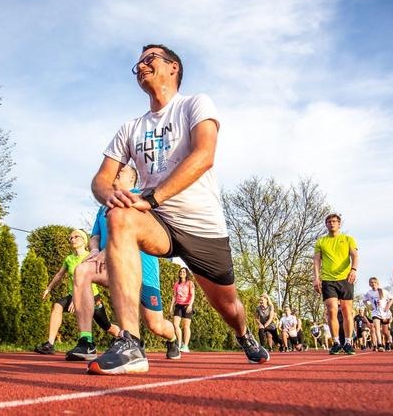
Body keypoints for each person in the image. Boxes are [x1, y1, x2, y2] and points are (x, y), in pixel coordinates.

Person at [90, 44, 269, 374]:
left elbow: (204, 155)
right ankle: (130, 343)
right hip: (158, 222)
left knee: (228, 307)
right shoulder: (130, 128)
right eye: (138, 64)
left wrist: (153, 197)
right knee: (119, 217)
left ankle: (244, 336)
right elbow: (100, 180)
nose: (141, 66)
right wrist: (110, 196)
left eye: (149, 60)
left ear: (173, 68)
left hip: (202, 227)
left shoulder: (195, 104)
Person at [67, 165, 179, 363]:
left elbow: (130, 233)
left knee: (156, 325)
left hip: (143, 273)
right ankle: (86, 341)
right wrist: (95, 250)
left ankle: (172, 338)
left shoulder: (140, 198)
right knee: (82, 270)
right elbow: (95, 235)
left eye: (123, 171)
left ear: (132, 179)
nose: (116, 172)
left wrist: (106, 250)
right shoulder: (104, 206)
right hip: (111, 267)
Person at [35, 230, 120, 355]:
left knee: (106, 325)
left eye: (76, 237)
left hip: (91, 296)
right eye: (70, 238)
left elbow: (89, 280)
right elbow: (59, 275)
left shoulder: (90, 256)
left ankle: (123, 337)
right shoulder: (69, 259)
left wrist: (78, 300)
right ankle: (50, 343)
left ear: (84, 240)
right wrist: (49, 288)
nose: (72, 239)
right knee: (57, 306)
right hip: (73, 294)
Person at [313, 213, 359, 355]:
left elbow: (355, 255)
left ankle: (348, 342)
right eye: (329, 222)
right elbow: (316, 261)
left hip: (345, 279)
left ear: (339, 224)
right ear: (326, 225)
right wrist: (316, 278)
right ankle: (336, 342)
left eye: (334, 221)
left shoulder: (348, 239)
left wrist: (354, 269)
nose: (331, 223)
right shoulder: (321, 242)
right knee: (332, 310)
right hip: (328, 279)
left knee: (347, 310)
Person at [168, 267, 195, 353]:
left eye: (183, 272)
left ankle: (186, 346)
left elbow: (193, 295)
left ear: (186, 273)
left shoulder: (190, 283)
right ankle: (179, 343)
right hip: (178, 306)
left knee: (186, 326)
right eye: (180, 272)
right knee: (175, 325)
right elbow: (174, 296)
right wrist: (171, 306)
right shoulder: (176, 284)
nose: (182, 273)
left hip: (187, 306)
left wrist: (190, 305)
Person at [363, 277, 393, 352]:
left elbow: (392, 298)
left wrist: (387, 306)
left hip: (385, 313)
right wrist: (369, 307)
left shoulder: (383, 291)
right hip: (375, 313)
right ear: (369, 284)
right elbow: (364, 300)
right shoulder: (369, 293)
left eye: (374, 282)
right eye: (371, 282)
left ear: (377, 283)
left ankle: (387, 343)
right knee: (377, 328)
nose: (373, 283)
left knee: (385, 332)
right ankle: (380, 345)